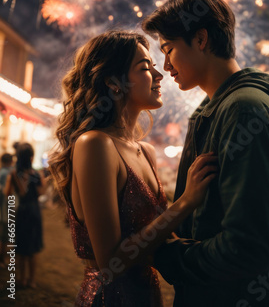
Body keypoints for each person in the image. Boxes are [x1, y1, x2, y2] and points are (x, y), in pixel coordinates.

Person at [142, 0, 269, 307]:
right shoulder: (221, 109)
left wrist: (168, 255)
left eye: (169, 49)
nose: (165, 65)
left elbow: (247, 248)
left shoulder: (244, 111)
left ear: (201, 39)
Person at [48, 30, 217, 307]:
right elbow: (111, 261)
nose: (160, 75)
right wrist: (185, 202)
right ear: (114, 83)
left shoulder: (147, 151)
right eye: (145, 68)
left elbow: (159, 234)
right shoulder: (95, 144)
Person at [5, 143, 45, 288]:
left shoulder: (14, 174)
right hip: (34, 211)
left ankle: (21, 279)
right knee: (33, 247)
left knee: (20, 247)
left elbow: (7, 193)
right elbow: (41, 193)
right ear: (31, 157)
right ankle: (32, 280)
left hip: (22, 211)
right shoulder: (36, 174)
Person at [0, 153, 13, 267]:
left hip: (4, 206)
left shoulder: (2, 173)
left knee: (4, 234)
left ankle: (3, 258)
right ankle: (5, 259)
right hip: (10, 206)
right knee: (8, 234)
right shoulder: (11, 172)